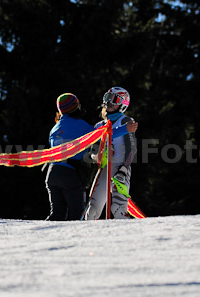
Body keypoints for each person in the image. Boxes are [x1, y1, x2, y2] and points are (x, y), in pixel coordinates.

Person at [45, 93, 137, 221]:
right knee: (78, 215)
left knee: (57, 214)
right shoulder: (82, 125)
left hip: (52, 173)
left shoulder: (55, 128)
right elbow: (102, 134)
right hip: (71, 173)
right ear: (75, 108)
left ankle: (43, 237)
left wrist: (99, 156)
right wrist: (125, 129)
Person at [84, 87, 138, 220]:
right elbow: (93, 150)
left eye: (113, 100)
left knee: (118, 208)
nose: (108, 102)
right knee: (92, 212)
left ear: (122, 104)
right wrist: (96, 156)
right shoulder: (99, 126)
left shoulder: (126, 121)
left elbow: (131, 148)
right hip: (105, 168)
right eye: (107, 98)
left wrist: (124, 170)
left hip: (121, 167)